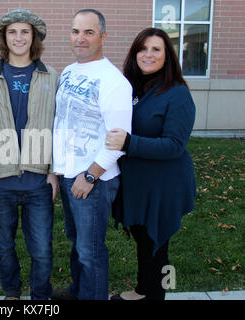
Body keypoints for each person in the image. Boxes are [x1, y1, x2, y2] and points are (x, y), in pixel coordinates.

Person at [0, 9, 59, 300]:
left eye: (25, 32)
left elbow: (60, 126)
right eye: (12, 32)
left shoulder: (50, 77)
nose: (19, 38)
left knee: (42, 248)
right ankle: (11, 292)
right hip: (0, 181)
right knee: (4, 245)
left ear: (34, 38)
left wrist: (54, 171)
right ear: (3, 38)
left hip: (37, 181)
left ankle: (41, 296)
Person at [106, 27, 197, 301]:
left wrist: (129, 143)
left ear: (167, 56)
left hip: (164, 185)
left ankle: (157, 295)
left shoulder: (177, 93)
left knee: (157, 244)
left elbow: (174, 145)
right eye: (142, 49)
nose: (148, 54)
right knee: (144, 241)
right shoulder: (132, 87)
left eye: (156, 49)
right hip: (139, 183)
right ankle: (143, 290)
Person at [51, 9, 132, 300]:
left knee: (91, 250)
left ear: (103, 36)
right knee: (77, 243)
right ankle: (79, 291)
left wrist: (89, 176)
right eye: (76, 31)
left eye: (89, 32)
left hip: (93, 180)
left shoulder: (114, 82)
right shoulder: (71, 71)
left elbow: (118, 140)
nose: (80, 38)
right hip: (69, 174)